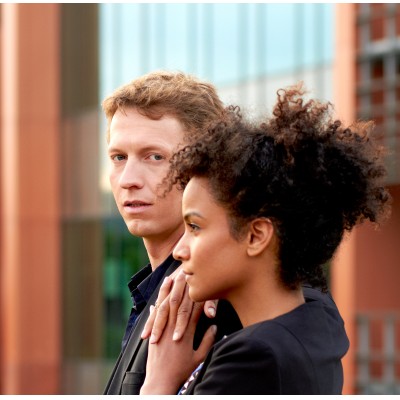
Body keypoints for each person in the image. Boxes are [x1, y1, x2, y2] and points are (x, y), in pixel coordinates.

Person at [139, 84, 391, 394]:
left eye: (195, 227)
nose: (179, 250)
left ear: (257, 235)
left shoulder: (256, 357)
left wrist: (158, 383)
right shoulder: (312, 326)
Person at [102, 70, 242, 395]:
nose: (128, 179)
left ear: (206, 167)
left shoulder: (216, 303)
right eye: (118, 157)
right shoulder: (157, 288)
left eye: (155, 157)